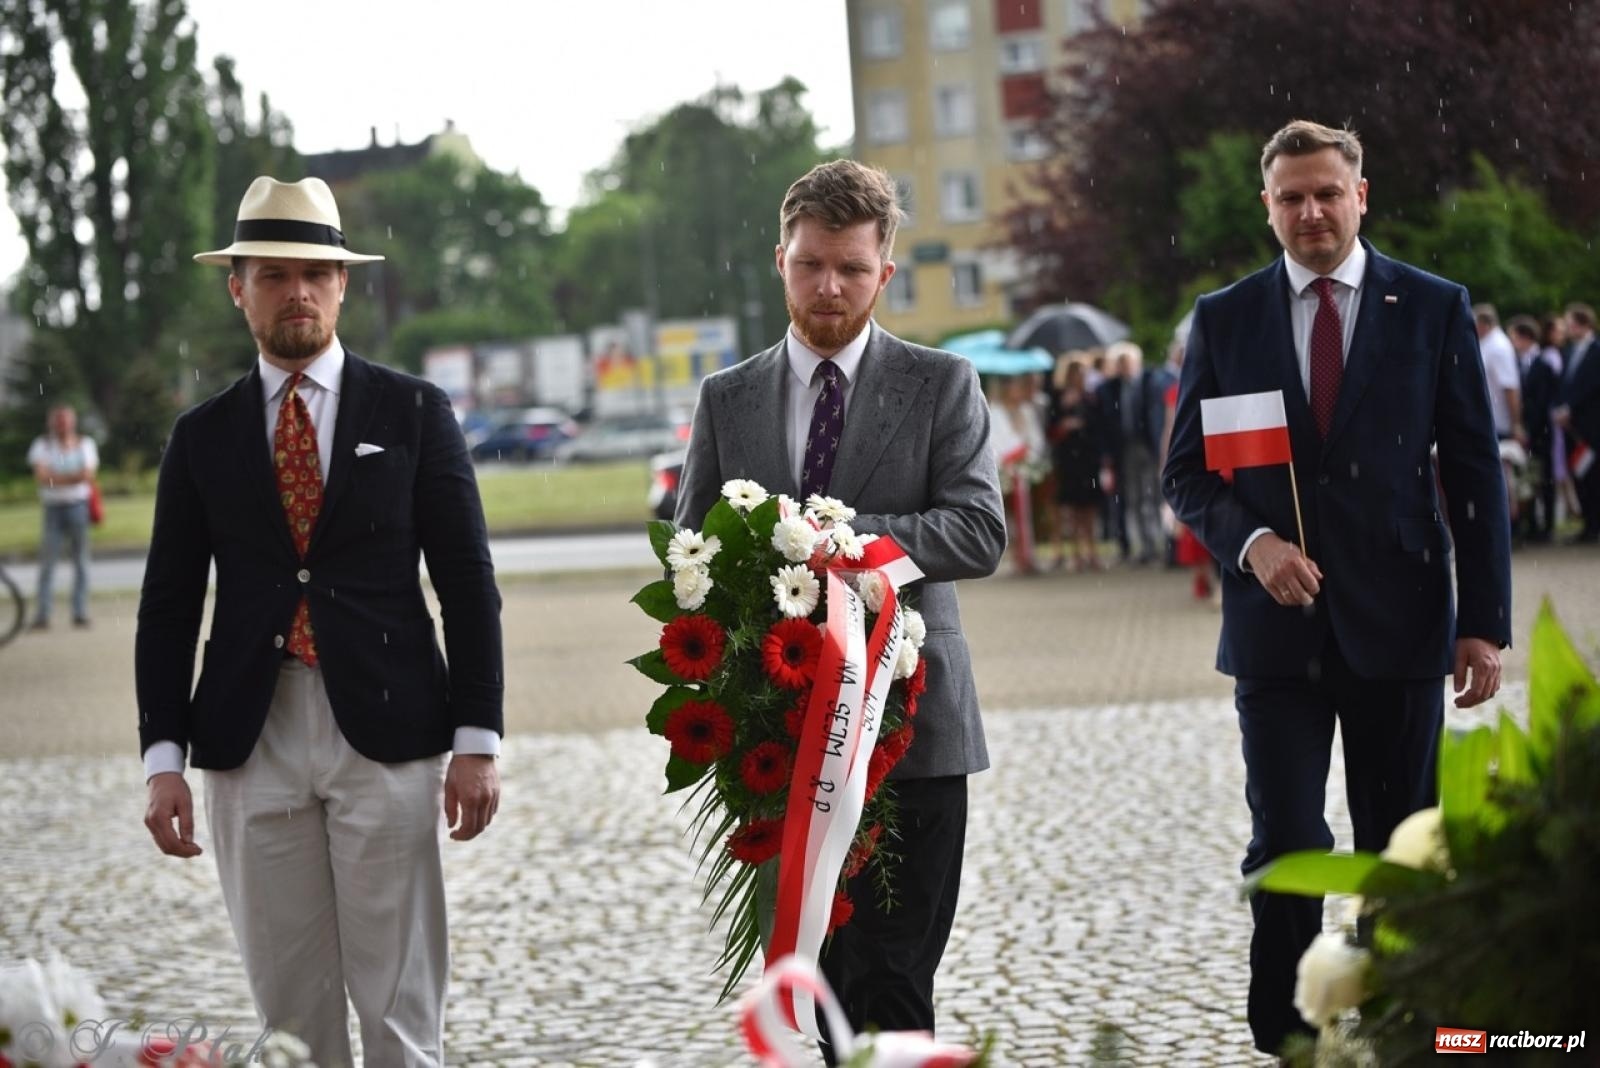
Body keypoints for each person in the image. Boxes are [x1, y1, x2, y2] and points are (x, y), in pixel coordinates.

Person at [1162, 120, 1511, 1058]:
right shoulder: (1226, 317)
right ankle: (1285, 1034)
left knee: (1401, 844)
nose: (1310, 211)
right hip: (1275, 637)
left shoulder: (1432, 306)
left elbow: (1475, 472)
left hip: (1401, 624)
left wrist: (1483, 624)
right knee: (1285, 839)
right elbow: (1189, 474)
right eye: (1290, 197)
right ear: (1267, 206)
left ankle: (1411, 1023)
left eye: (1326, 193)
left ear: (1361, 196)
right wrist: (1256, 542)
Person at [137, 176, 505, 1068]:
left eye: (315, 272)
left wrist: (477, 739)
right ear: (239, 288)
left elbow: (466, 580)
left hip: (388, 732)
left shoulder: (413, 410)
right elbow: (169, 604)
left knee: (400, 1008)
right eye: (272, 274)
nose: (296, 291)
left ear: (343, 285)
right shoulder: (203, 436)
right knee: (291, 1015)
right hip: (247, 739)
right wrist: (162, 761)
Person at [673, 159, 1005, 1058]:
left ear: (884, 274)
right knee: (812, 987)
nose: (829, 286)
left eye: (851, 269)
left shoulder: (942, 383)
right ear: (779, 258)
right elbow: (687, 542)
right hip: (779, 740)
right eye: (811, 263)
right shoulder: (727, 396)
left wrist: (835, 543)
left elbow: (978, 532)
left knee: (894, 985)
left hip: (915, 733)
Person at [1096, 340, 1169, 564]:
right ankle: (1145, 546)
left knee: (1153, 496)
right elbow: (1107, 420)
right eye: (1120, 363)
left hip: (1148, 447)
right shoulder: (1112, 388)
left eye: (1127, 362)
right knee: (1134, 498)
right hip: (1126, 449)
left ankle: (1163, 544)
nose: (1124, 367)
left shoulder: (1151, 382)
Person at [26, 405, 99, 630]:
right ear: (52, 423)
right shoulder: (42, 445)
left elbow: (86, 476)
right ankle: (43, 613)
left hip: (78, 506)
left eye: (65, 421)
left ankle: (80, 611)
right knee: (48, 563)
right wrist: (70, 477)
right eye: (58, 421)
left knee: (81, 561)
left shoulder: (85, 444)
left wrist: (55, 478)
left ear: (72, 422)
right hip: (53, 508)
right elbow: (41, 477)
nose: (62, 425)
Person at [1047, 354, 1105, 571]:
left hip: (1088, 458)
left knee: (1089, 507)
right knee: (1070, 508)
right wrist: (1063, 416)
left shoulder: (1091, 397)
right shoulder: (1057, 397)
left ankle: (1092, 552)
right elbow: (1050, 428)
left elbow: (1100, 424)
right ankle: (1075, 555)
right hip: (1067, 459)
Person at [1509, 314, 1560, 542]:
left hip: (1540, 432)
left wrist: (1529, 429)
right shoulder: (1520, 363)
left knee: (1543, 479)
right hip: (1529, 431)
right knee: (1528, 479)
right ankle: (1531, 523)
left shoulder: (1543, 365)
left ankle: (1546, 526)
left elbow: (1541, 402)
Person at [1554, 302, 1600, 542]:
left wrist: (1571, 408)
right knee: (1579, 474)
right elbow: (1566, 385)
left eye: (1571, 323)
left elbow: (1592, 386)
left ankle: (1595, 522)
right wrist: (1560, 408)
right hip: (1572, 425)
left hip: (1591, 425)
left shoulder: (1596, 350)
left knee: (1593, 474)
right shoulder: (1569, 352)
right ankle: (1588, 522)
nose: (1568, 328)